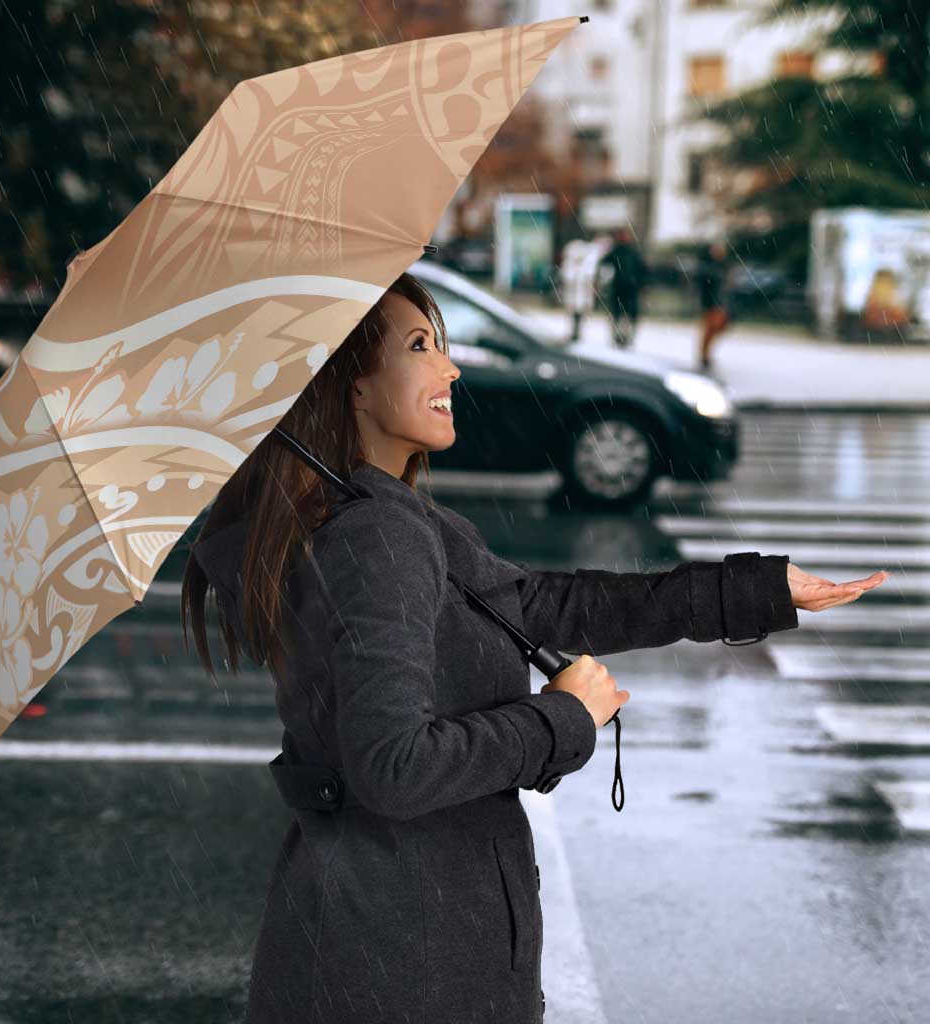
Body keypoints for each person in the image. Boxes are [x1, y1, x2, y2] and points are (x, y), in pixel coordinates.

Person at [183, 271, 884, 1024]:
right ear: (351, 385)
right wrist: (561, 719)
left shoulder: (382, 518)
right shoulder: (376, 536)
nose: (450, 368)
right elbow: (393, 767)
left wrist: (756, 591)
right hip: (405, 962)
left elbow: (547, 605)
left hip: (386, 941)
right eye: (420, 346)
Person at [598, 226, 648, 349]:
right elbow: (604, 264)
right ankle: (619, 337)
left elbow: (642, 270)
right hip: (621, 288)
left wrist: (641, 284)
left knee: (626, 315)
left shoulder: (631, 252)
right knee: (619, 314)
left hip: (629, 288)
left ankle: (625, 337)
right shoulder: (618, 251)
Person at [696, 239, 732, 370]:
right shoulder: (708, 267)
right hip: (711, 303)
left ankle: (705, 354)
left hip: (720, 303)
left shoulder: (723, 266)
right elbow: (705, 286)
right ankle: (704, 355)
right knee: (710, 329)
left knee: (718, 328)